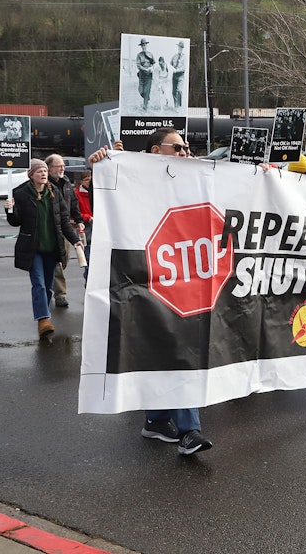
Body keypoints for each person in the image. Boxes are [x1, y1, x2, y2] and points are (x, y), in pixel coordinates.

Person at [89, 128, 213, 456]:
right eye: (179, 147)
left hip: (183, 278)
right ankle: (159, 421)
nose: (186, 152)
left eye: (188, 147)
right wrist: (103, 166)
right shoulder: (134, 178)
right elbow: (108, 205)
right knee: (163, 347)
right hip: (144, 278)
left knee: (180, 349)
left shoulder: (195, 177)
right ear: (157, 150)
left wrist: (263, 178)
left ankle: (187, 430)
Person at [4, 158, 82, 339]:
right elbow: (16, 221)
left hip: (53, 247)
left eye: (45, 171)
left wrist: (75, 240)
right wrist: (10, 209)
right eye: (39, 171)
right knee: (38, 283)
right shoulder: (21, 193)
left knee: (48, 286)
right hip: (33, 248)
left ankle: (44, 313)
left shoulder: (54, 192)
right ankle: (43, 319)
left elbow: (63, 220)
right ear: (31, 175)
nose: (43, 174)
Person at [46, 154, 85, 308]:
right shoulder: (45, 184)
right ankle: (60, 295)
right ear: (49, 168)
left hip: (65, 227)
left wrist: (79, 220)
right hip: (50, 228)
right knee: (57, 262)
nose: (62, 168)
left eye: (63, 166)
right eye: (59, 166)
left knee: (64, 260)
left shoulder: (66, 181)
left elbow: (73, 202)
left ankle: (51, 283)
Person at [75, 171, 94, 284]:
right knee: (89, 260)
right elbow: (75, 213)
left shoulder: (98, 192)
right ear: (82, 181)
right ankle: (89, 282)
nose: (89, 182)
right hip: (86, 231)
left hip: (100, 230)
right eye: (87, 179)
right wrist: (88, 218)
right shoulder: (77, 195)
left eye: (90, 179)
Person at [135, 38, 154, 110]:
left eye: (145, 45)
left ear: (146, 45)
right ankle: (147, 97)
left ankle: (145, 106)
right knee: (140, 91)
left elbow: (153, 63)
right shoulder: (139, 55)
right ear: (141, 46)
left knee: (146, 90)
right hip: (142, 75)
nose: (144, 46)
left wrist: (151, 68)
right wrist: (145, 69)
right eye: (142, 45)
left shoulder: (150, 54)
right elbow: (138, 65)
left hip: (149, 75)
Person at [170, 40, 186, 108]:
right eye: (179, 47)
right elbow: (170, 65)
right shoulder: (174, 56)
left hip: (180, 75)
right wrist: (172, 69)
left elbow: (184, 67)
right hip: (174, 76)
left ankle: (179, 106)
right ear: (178, 47)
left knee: (179, 90)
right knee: (173, 92)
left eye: (181, 47)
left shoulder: (184, 57)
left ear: (183, 48)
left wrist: (177, 70)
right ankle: (175, 105)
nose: (180, 48)